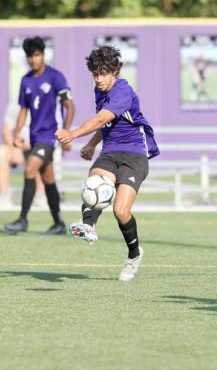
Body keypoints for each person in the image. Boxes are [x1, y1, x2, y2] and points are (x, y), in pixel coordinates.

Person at [56, 46, 159, 282]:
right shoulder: (99, 90)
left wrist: (73, 134)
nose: (99, 79)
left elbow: (102, 117)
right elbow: (107, 124)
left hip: (135, 154)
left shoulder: (123, 90)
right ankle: (88, 225)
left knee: (121, 211)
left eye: (104, 73)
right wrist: (92, 144)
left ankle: (134, 255)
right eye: (95, 74)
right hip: (111, 151)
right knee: (94, 183)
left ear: (116, 72)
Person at [4, 36, 75, 235]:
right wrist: (17, 133)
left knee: (30, 170)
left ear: (43, 55)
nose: (34, 59)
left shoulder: (55, 77)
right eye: (30, 56)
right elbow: (23, 110)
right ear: (26, 58)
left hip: (50, 136)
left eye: (37, 55)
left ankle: (22, 219)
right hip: (36, 137)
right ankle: (59, 223)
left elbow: (70, 107)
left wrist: (67, 133)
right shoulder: (25, 80)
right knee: (48, 178)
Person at [0, 101, 45, 209]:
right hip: (19, 146)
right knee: (1, 152)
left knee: (38, 153)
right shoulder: (16, 104)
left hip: (40, 146)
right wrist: (15, 148)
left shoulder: (48, 102)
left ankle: (40, 195)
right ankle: (4, 196)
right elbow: (6, 130)